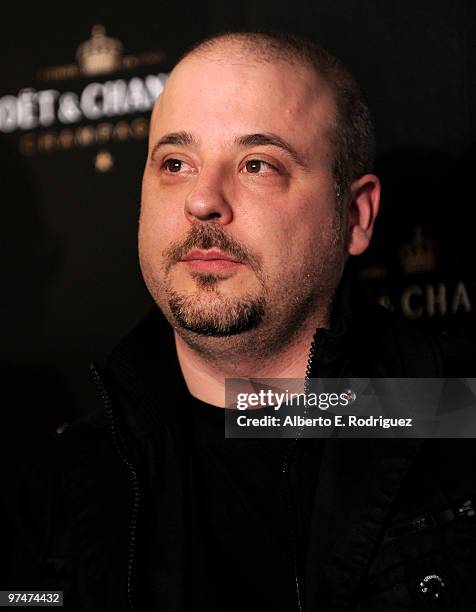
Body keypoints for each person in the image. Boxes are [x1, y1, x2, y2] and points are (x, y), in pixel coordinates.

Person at [8, 31, 476, 611]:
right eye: (176, 163)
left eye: (257, 164)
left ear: (355, 216)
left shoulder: (456, 416)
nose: (203, 200)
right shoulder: (54, 487)